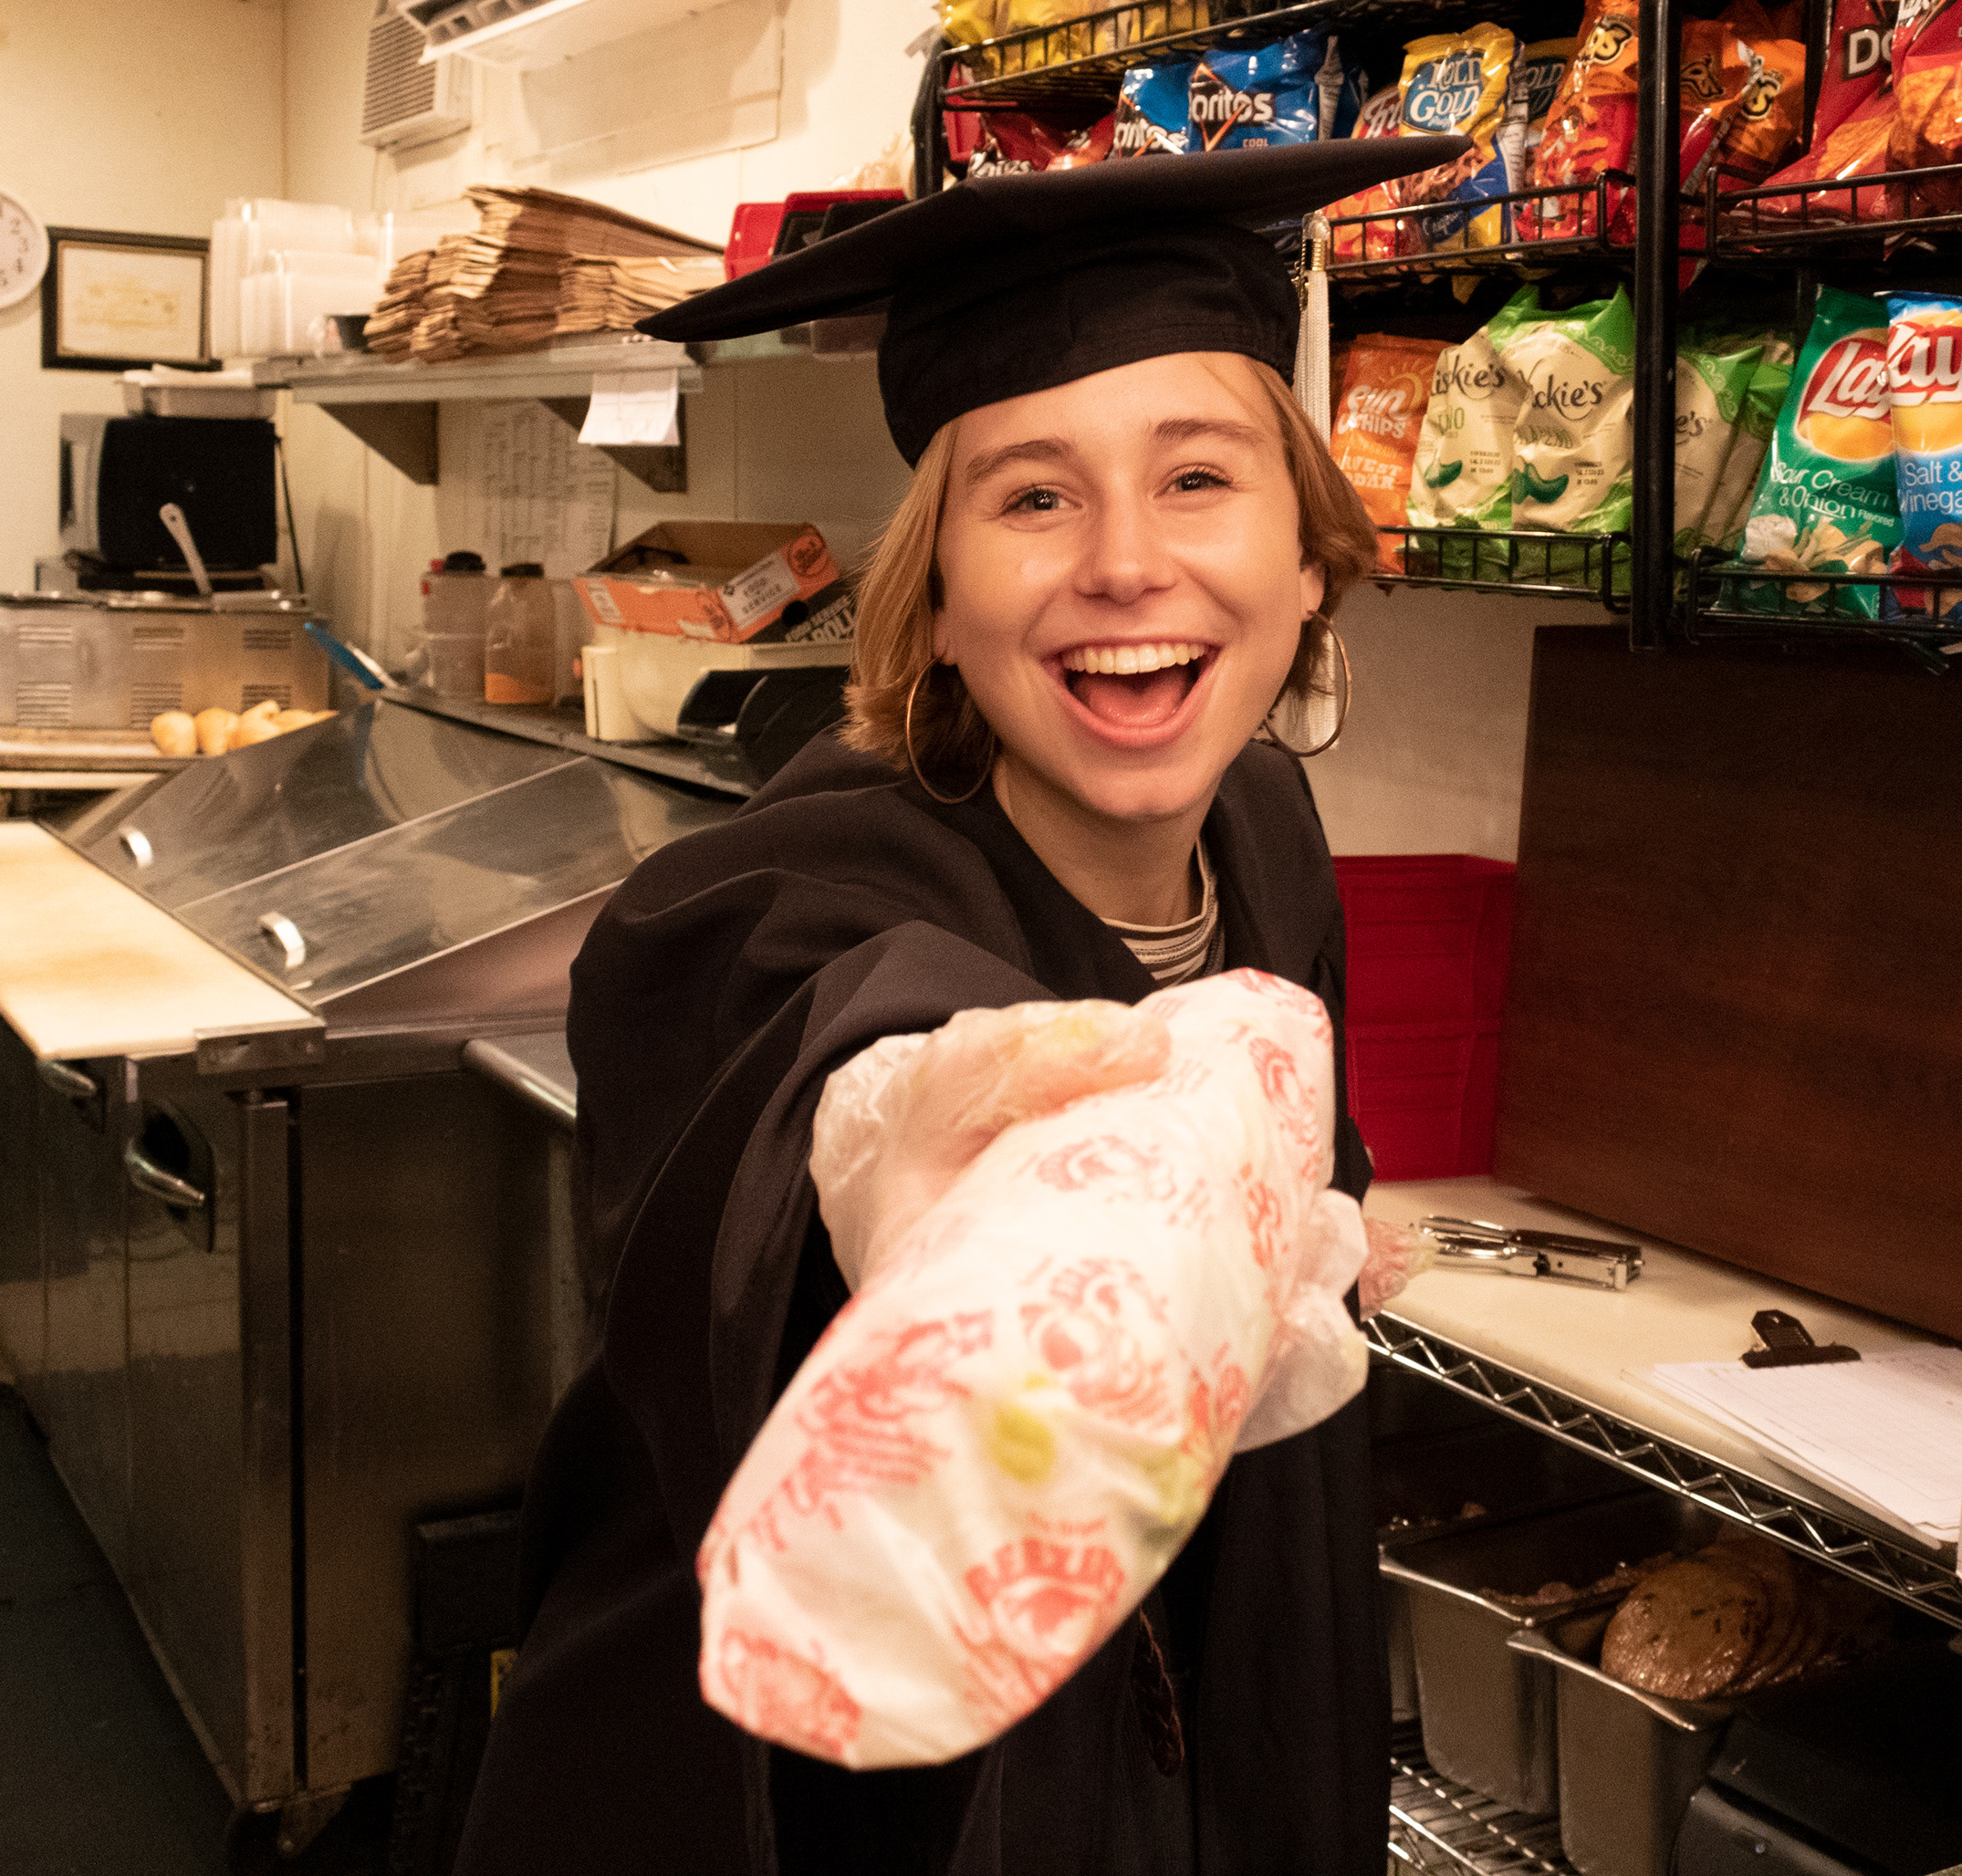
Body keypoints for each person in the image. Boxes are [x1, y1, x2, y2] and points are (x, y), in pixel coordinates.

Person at [454, 137, 1464, 1876]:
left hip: (1184, 1734)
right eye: (1032, 497)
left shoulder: (1270, 839)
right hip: (811, 1803)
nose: (1126, 563)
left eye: (1200, 479)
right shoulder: (778, 897)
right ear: (932, 604)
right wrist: (911, 1164)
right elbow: (838, 1071)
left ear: (1312, 562)